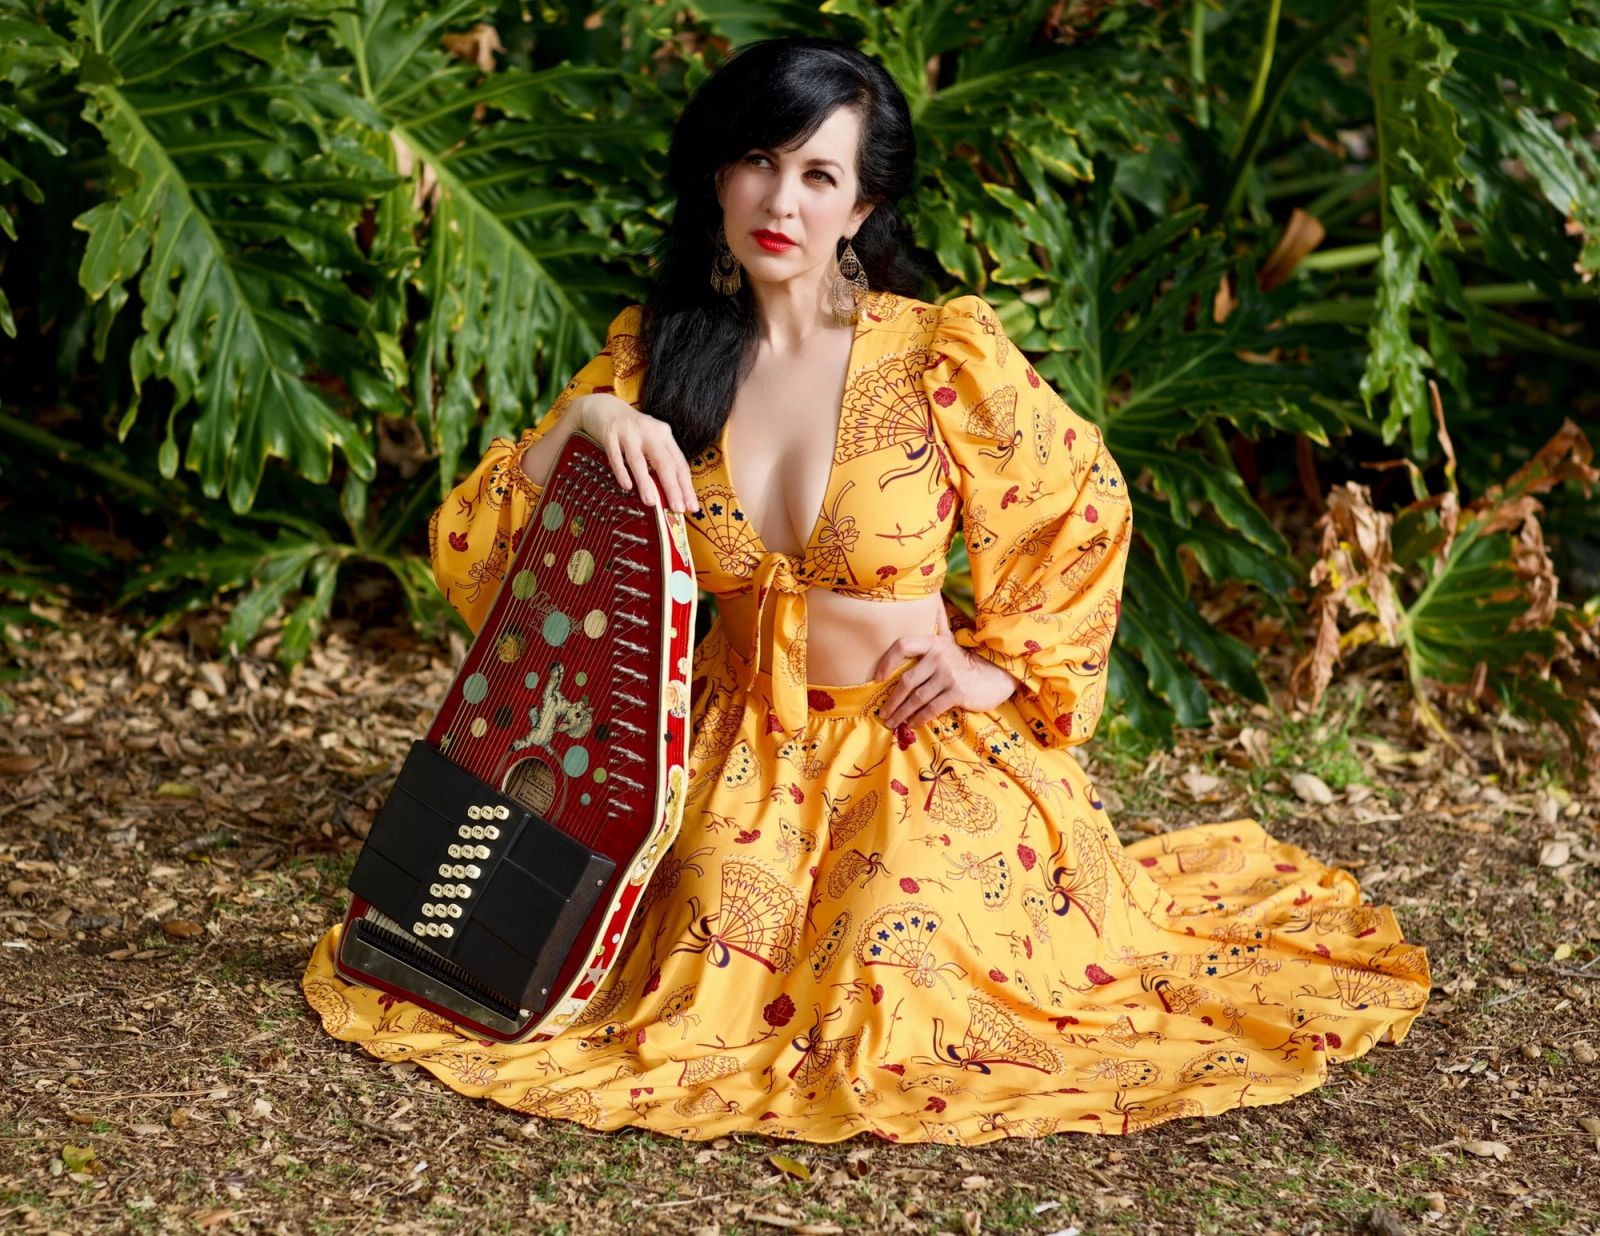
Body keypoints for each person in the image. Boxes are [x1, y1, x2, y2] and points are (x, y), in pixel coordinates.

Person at [302, 36, 1429, 1145]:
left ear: (863, 207)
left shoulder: (936, 353)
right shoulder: (655, 362)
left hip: (913, 749)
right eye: (758, 161)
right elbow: (489, 560)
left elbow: (1079, 502)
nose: (779, 200)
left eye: (818, 173)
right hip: (732, 756)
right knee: (698, 972)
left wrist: (997, 664)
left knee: (902, 970)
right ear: (717, 177)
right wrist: (581, 424)